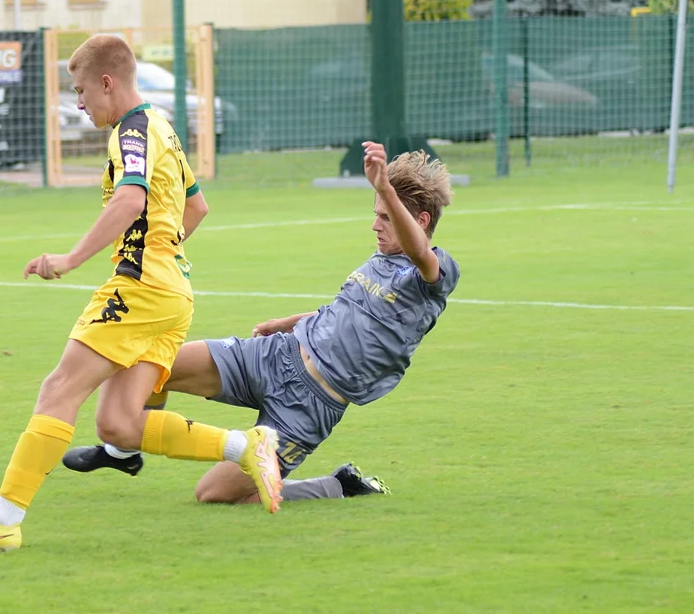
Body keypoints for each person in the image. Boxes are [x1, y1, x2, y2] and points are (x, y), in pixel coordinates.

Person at [0, 35, 284, 552]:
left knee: (59, 389)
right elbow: (198, 207)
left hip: (140, 288)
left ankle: (3, 520)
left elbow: (132, 198)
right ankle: (246, 445)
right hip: (174, 292)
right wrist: (164, 252)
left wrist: (71, 259)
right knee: (117, 424)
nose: (78, 102)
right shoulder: (161, 123)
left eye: (79, 90)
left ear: (107, 82)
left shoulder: (132, 129)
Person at [64, 141, 459, 505]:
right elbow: (350, 314)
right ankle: (124, 453)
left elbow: (420, 253)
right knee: (153, 364)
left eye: (386, 217)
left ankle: (339, 485)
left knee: (214, 495)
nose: (375, 225)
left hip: (310, 405)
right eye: (376, 215)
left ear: (420, 220)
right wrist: (288, 322)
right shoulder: (377, 260)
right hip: (275, 356)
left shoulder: (434, 274)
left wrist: (386, 188)